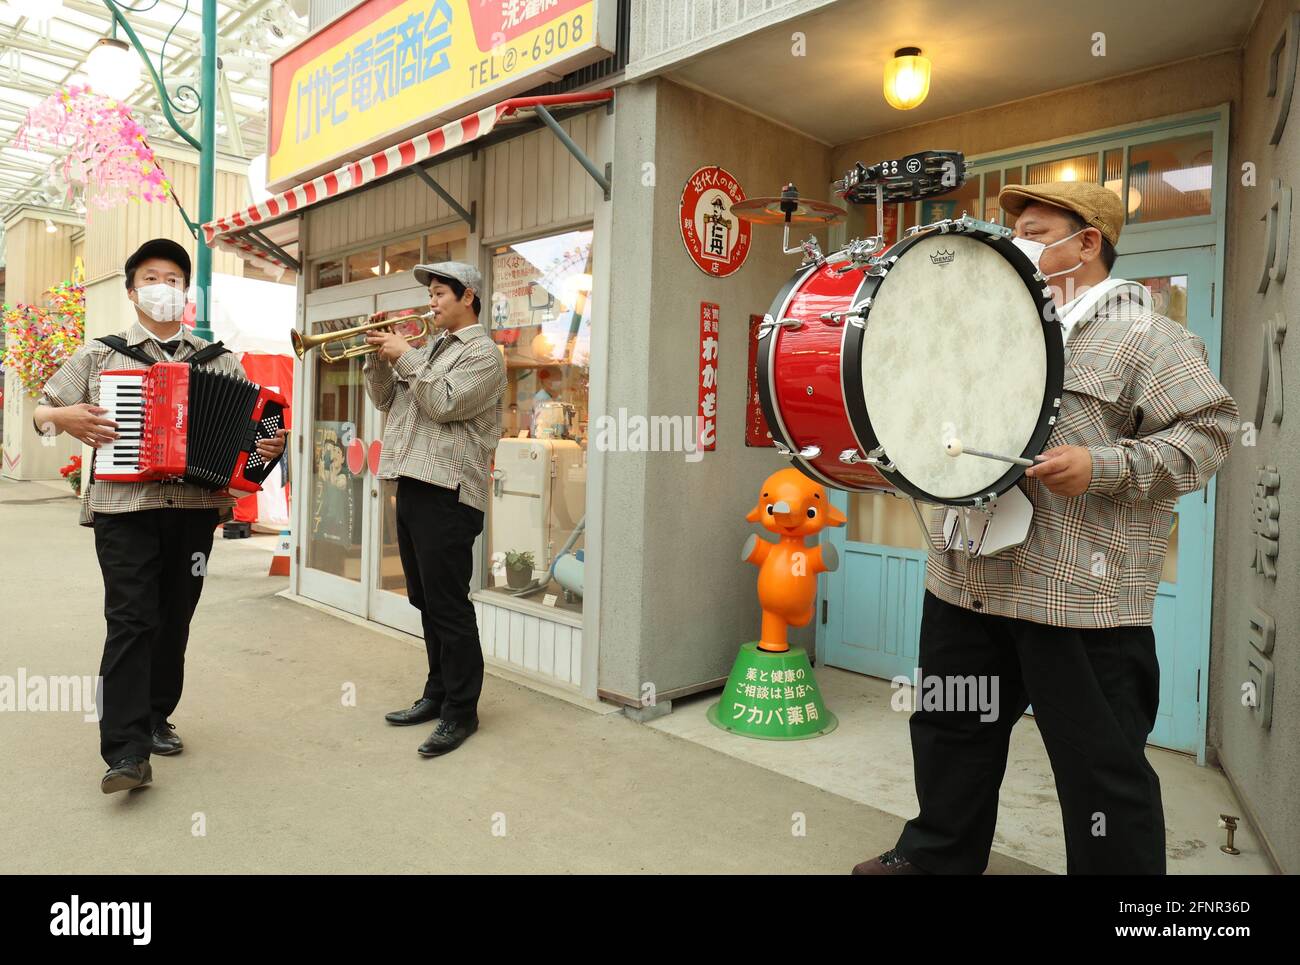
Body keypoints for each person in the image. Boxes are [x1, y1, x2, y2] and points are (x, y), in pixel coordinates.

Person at [853, 182, 1239, 875]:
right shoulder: (989, 324)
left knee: (1100, 765)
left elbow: (1210, 433)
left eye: (1032, 230)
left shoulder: (1150, 335)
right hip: (965, 575)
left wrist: (1104, 464)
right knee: (949, 729)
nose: (1016, 243)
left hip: (1075, 596)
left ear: (1085, 243)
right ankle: (936, 856)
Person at [33, 238, 288, 794]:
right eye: (152, 278)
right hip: (124, 510)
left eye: (173, 279)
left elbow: (255, 433)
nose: (163, 288)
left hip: (194, 512)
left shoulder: (218, 359)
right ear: (131, 291)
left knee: (174, 617)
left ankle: (156, 715)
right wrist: (66, 416)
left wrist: (268, 447)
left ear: (186, 292)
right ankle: (125, 751)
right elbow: (42, 413)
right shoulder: (102, 354)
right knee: (130, 620)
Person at [364, 262, 507, 757]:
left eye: (440, 292)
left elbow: (444, 403)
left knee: (449, 606)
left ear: (468, 296)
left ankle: (461, 712)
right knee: (426, 601)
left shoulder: (485, 354)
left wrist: (406, 355)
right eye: (432, 293)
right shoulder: (431, 350)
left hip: (450, 491)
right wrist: (378, 358)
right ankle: (437, 693)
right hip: (414, 485)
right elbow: (385, 401)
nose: (433, 301)